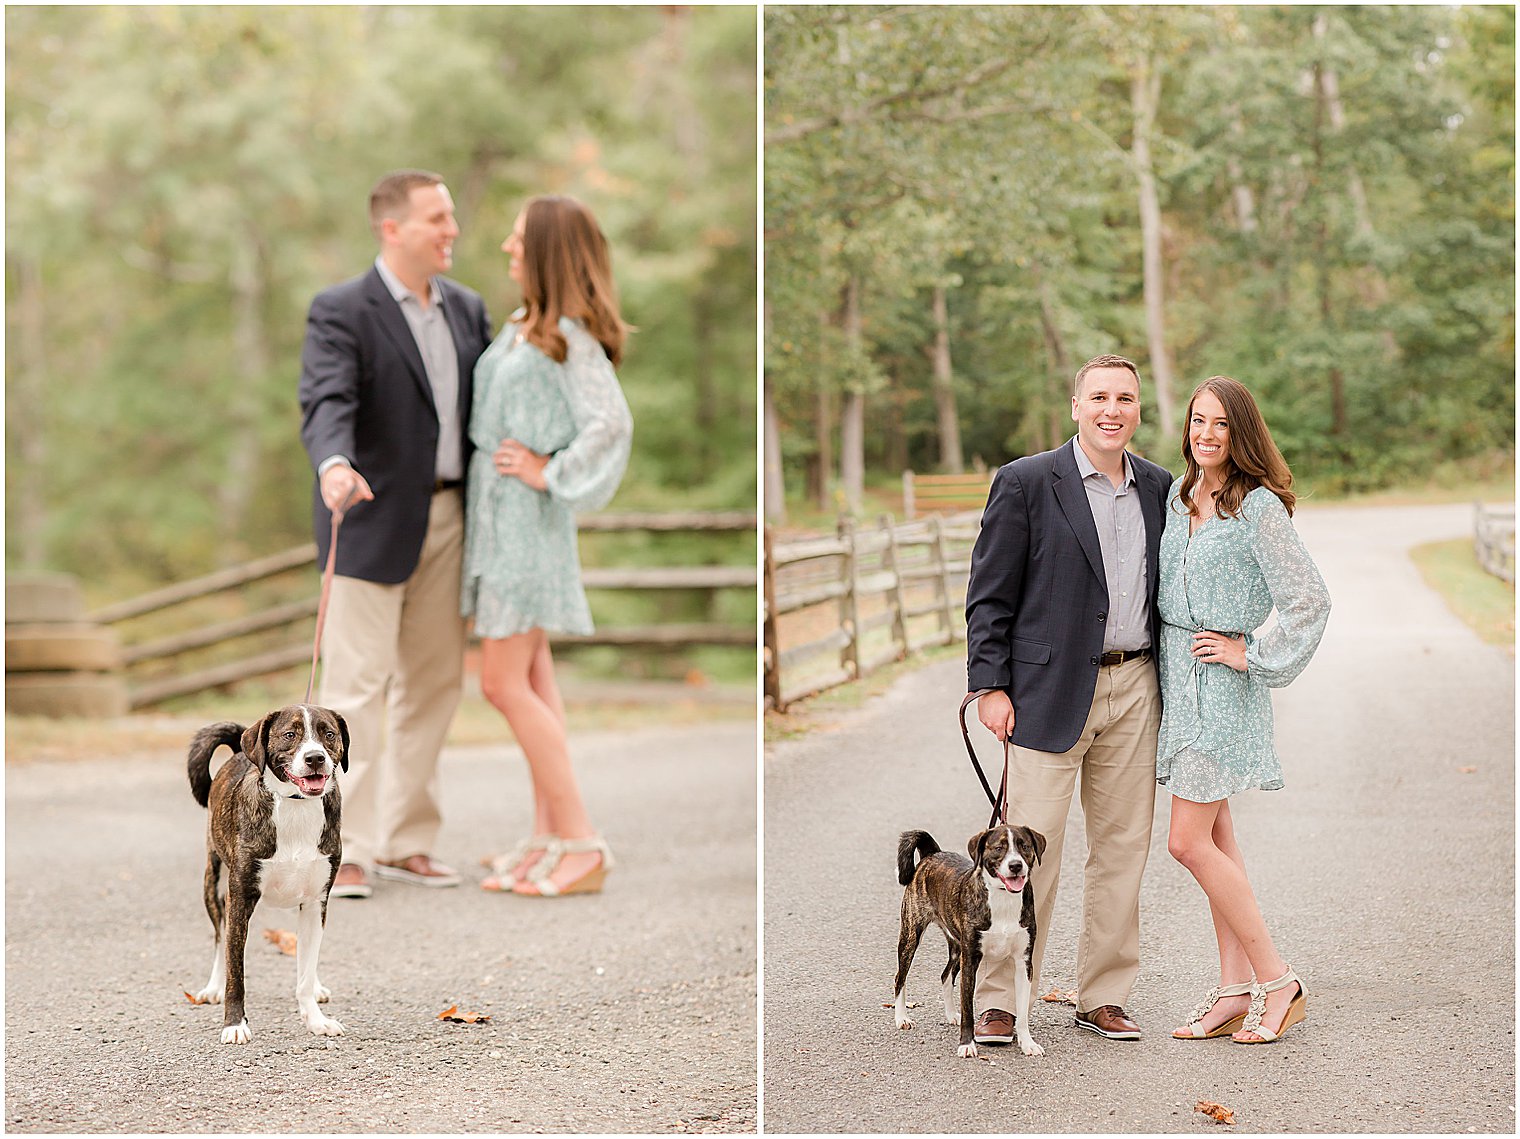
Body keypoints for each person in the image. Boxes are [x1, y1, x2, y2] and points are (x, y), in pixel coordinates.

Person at [965, 354, 1173, 1043]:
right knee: (1023, 853)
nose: (1112, 409)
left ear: (1138, 409)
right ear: (1076, 405)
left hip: (1135, 685)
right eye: (1099, 397)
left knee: (1122, 849)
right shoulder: (1026, 482)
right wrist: (989, 684)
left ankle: (1103, 994)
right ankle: (998, 996)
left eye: (1125, 397)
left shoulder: (1158, 488)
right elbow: (990, 593)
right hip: (1043, 693)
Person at [298, 170, 493, 899]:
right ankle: (343, 846)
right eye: (437, 218)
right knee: (354, 687)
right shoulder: (342, 308)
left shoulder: (470, 310)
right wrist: (334, 463)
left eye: (451, 217)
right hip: (367, 516)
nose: (452, 230)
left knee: (436, 683)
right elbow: (326, 398)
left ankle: (410, 839)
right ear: (393, 228)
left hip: (453, 519)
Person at [464, 195, 633, 898]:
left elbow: (610, 423)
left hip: (525, 525)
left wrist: (548, 470)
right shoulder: (524, 327)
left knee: (500, 683)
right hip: (498, 519)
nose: (507, 244)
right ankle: (546, 839)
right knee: (533, 681)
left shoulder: (568, 335)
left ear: (546, 252)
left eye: (518, 236)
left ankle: (582, 840)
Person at [1157, 376, 1330, 1044]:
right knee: (1217, 837)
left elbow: (1310, 599)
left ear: (1242, 433)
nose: (1205, 434)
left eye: (1220, 424)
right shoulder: (1181, 496)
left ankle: (1277, 978)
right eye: (1198, 421)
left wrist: (1250, 654)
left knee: (1186, 841)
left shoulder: (1258, 508)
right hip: (1179, 683)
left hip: (1223, 692)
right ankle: (1233, 989)